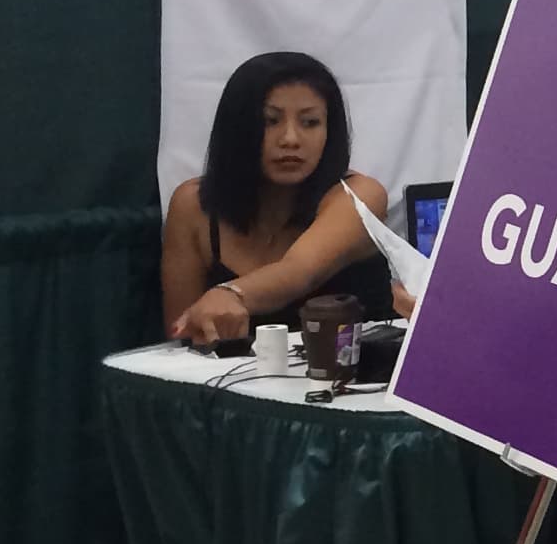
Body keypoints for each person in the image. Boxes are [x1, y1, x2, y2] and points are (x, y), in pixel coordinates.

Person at [160, 52, 395, 346]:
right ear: (237, 127)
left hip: (353, 383)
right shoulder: (192, 204)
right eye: (270, 121)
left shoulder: (361, 194)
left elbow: (298, 273)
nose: (290, 139)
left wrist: (230, 293)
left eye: (310, 122)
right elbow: (183, 337)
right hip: (232, 384)